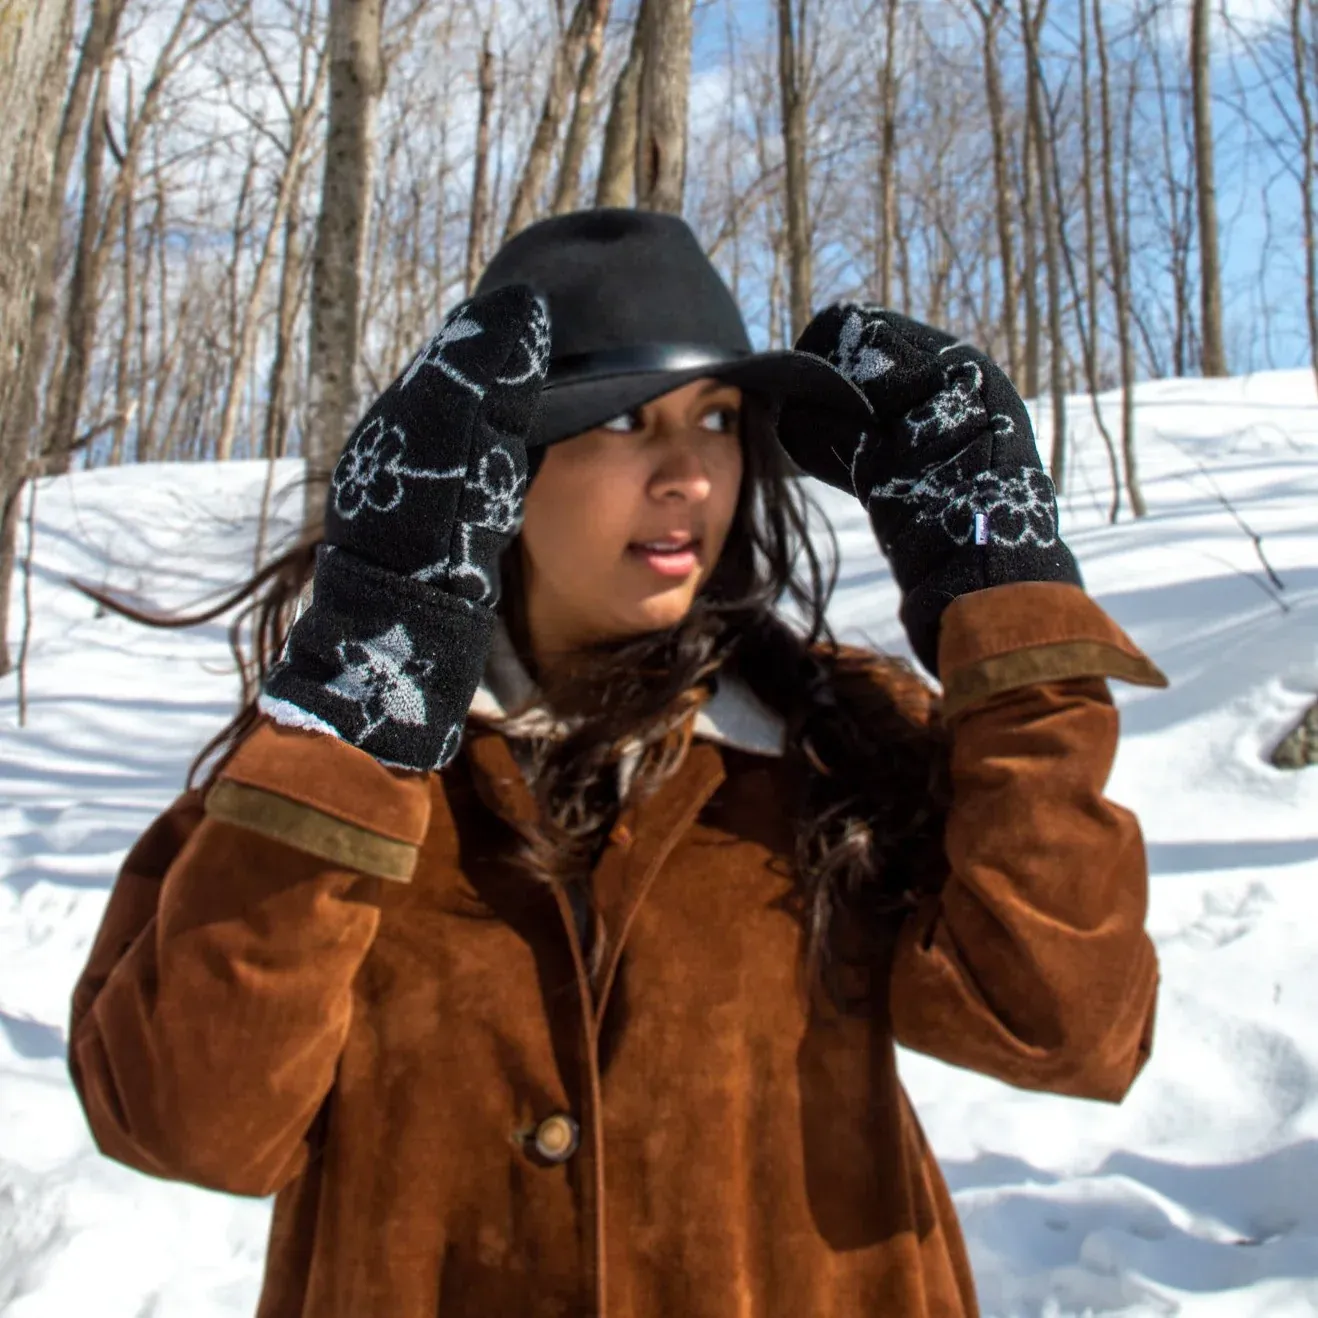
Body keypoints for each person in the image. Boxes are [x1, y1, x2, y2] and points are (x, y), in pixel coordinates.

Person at [68, 209, 1166, 1318]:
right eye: (627, 419)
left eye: (719, 418)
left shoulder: (836, 740)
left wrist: (1003, 588)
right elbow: (186, 1121)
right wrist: (362, 689)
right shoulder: (340, 767)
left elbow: (1069, 1027)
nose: (689, 474)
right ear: (504, 463)